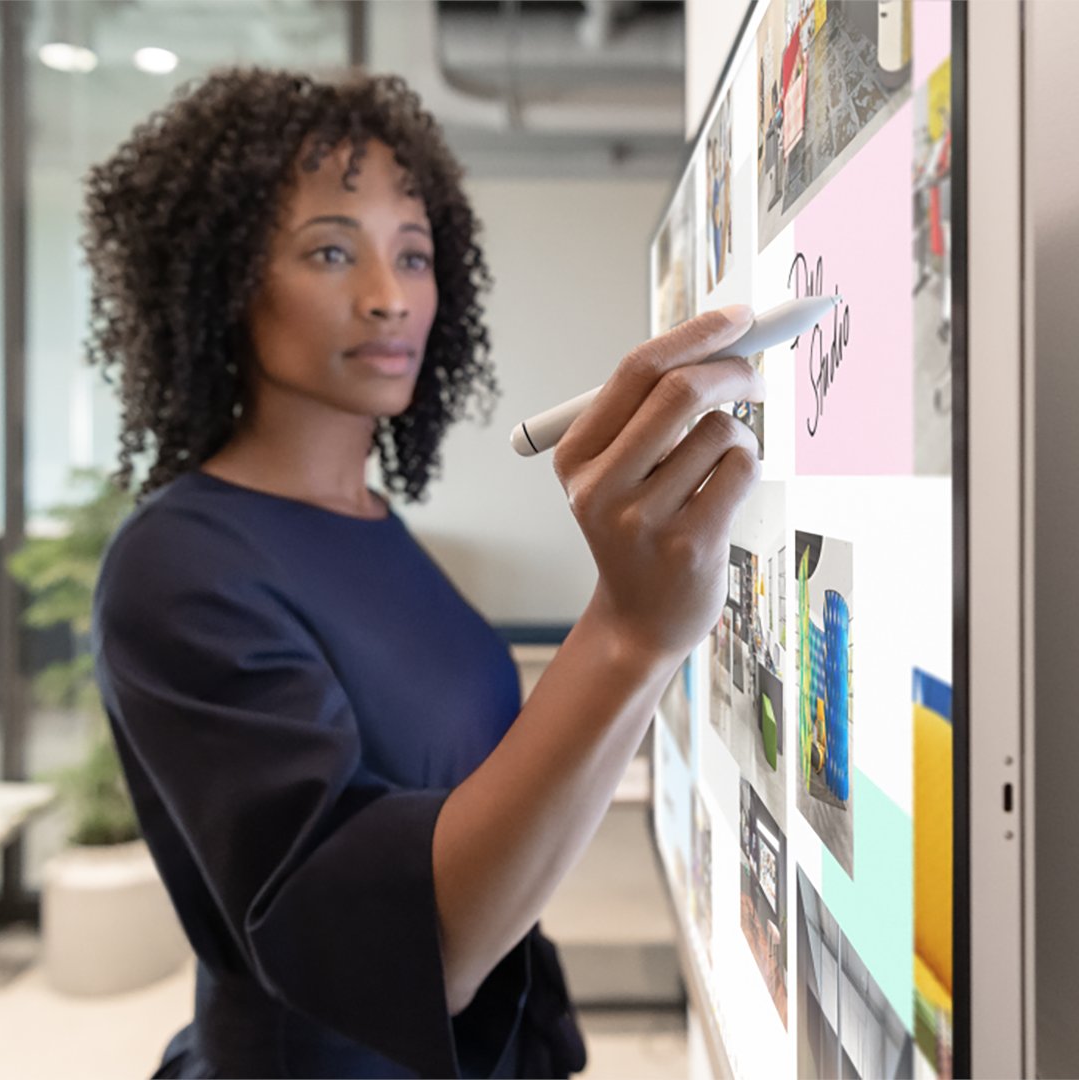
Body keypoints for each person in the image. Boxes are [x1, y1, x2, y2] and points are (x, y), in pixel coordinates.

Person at [85, 67, 763, 1080]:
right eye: (331, 252)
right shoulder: (176, 566)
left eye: (413, 254)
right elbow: (392, 951)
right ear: (220, 278)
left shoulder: (370, 522)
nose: (388, 296)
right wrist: (629, 631)